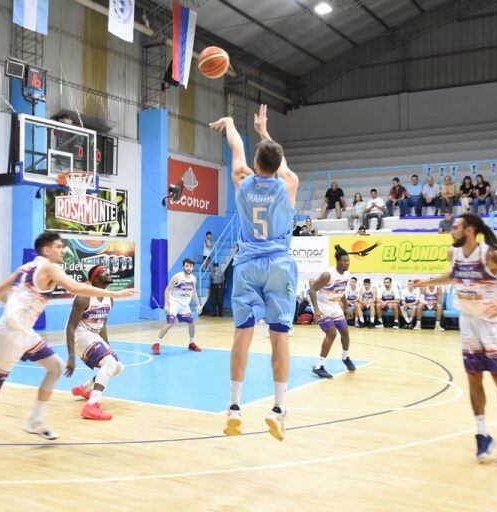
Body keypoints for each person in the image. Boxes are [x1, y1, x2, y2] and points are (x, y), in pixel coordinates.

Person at [0, 232, 136, 454]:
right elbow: (75, 288)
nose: (62, 250)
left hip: (22, 331)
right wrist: (118, 293)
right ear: (46, 251)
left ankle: (35, 420)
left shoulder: (25, 268)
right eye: (57, 246)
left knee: (55, 367)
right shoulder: (50, 267)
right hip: (9, 335)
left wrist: (17, 307)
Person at [210, 104, 298, 441]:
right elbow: (282, 164)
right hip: (278, 264)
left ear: (256, 165)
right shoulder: (288, 183)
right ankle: (278, 408)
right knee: (279, 337)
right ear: (276, 167)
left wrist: (232, 123)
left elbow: (235, 147)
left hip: (247, 264)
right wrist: (265, 132)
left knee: (242, 335)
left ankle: (234, 406)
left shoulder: (242, 180)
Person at [414, 213, 497, 463]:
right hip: (469, 323)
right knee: (473, 377)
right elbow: (454, 276)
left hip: (493, 324)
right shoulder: (452, 254)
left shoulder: (492, 255)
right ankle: (482, 433)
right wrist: (426, 282)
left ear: (469, 231)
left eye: (455, 227)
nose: (451, 231)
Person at [308, 245, 374, 379]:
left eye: (348, 260)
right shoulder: (328, 275)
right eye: (344, 261)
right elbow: (312, 290)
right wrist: (316, 309)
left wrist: (345, 307)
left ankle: (345, 357)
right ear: (338, 261)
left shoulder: (347, 274)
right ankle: (318, 366)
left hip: (334, 305)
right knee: (331, 334)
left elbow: (341, 291)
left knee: (345, 331)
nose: (347, 263)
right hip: (322, 306)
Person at [68, 265, 123, 421]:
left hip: (93, 334)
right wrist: (71, 356)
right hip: (80, 335)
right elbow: (70, 327)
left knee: (118, 367)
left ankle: (85, 388)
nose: (109, 273)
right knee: (110, 363)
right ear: (96, 279)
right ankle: (91, 406)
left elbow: (102, 324)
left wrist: (107, 346)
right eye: (105, 272)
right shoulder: (83, 297)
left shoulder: (109, 298)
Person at [152, 258, 203, 355]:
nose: (188, 268)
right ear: (184, 266)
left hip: (184, 305)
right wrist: (166, 304)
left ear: (193, 267)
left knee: (192, 323)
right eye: (187, 266)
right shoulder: (177, 277)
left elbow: (194, 292)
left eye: (190, 266)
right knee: (170, 323)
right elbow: (167, 290)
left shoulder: (193, 279)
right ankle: (156, 344)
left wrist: (198, 305)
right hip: (174, 303)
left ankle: (191, 343)